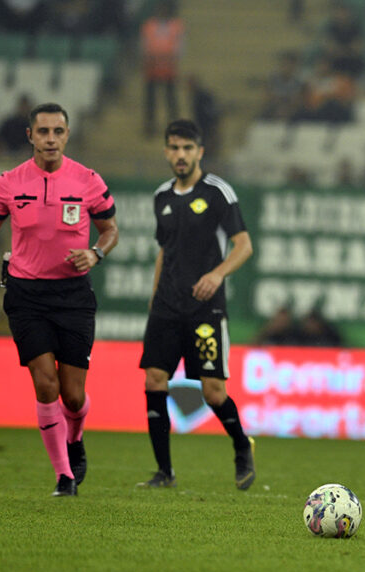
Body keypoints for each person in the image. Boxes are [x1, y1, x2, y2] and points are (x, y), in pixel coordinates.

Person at [0, 102, 119, 497]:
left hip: (73, 296)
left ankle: (75, 437)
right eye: (43, 131)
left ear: (67, 135)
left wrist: (96, 253)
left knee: (73, 395)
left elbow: (110, 230)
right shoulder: (8, 183)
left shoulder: (88, 181)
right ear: (30, 136)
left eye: (58, 131)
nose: (51, 139)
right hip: (27, 296)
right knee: (45, 384)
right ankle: (64, 476)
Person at [138, 119, 255, 490]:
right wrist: (154, 298)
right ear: (166, 152)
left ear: (200, 152)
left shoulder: (218, 191)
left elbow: (244, 246)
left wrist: (217, 275)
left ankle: (241, 446)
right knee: (154, 379)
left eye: (188, 148)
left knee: (212, 391)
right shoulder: (162, 196)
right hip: (166, 306)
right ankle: (164, 472)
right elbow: (164, 251)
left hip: (205, 308)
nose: (181, 155)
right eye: (174, 148)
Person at [140, 1, 184, 135]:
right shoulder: (149, 25)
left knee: (170, 97)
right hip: (152, 65)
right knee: (151, 98)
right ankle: (150, 124)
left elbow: (180, 44)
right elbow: (144, 43)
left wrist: (173, 57)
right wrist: (147, 57)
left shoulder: (176, 25)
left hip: (169, 65)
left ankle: (174, 123)